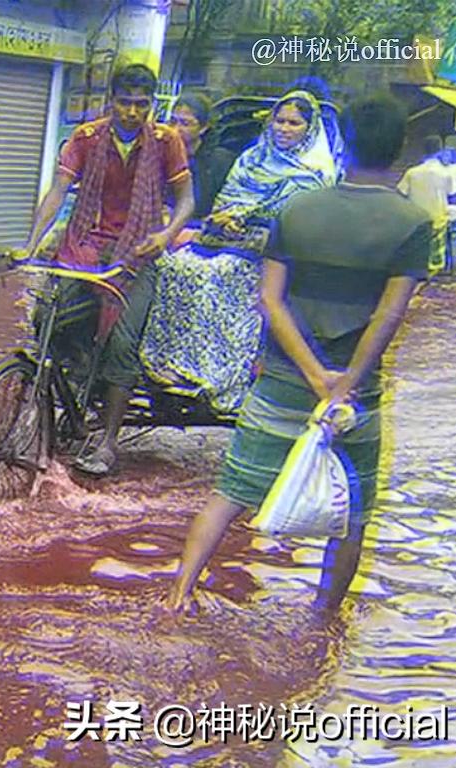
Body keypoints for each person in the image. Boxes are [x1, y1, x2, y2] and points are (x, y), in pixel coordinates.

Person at [166, 93, 432, 613]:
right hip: (354, 395)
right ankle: (323, 622)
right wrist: (343, 383)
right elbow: (389, 315)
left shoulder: (297, 209)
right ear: (398, 148)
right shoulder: (414, 224)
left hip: (282, 378)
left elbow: (270, 300)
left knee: (231, 492)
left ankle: (177, 595)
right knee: (352, 515)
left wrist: (311, 375)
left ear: (343, 142)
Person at [23, 63, 195, 477]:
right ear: (110, 101)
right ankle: (80, 383)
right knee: (47, 318)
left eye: (141, 104)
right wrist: (29, 245)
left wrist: (167, 232)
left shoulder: (166, 140)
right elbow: (59, 190)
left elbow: (187, 199)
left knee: (121, 341)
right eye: (125, 102)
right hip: (85, 245)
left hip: (138, 252)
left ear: (152, 104)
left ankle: (108, 441)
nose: (132, 112)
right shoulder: (85, 138)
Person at [141, 90, 339, 414]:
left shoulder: (317, 171)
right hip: (224, 240)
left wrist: (249, 218)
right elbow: (227, 198)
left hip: (272, 254)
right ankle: (166, 362)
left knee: (214, 275)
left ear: (309, 129)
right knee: (174, 265)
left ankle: (210, 373)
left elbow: (299, 218)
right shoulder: (250, 159)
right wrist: (225, 218)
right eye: (280, 120)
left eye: (294, 123)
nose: (284, 128)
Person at [169, 92, 236, 220]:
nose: (175, 130)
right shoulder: (161, 154)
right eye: (172, 122)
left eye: (185, 123)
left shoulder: (221, 160)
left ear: (203, 128)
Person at [396, 135, 456, 274]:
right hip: (438, 221)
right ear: (440, 150)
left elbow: (400, 193)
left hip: (414, 222)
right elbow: (453, 197)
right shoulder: (446, 173)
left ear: (423, 150)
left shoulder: (412, 172)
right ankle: (438, 268)